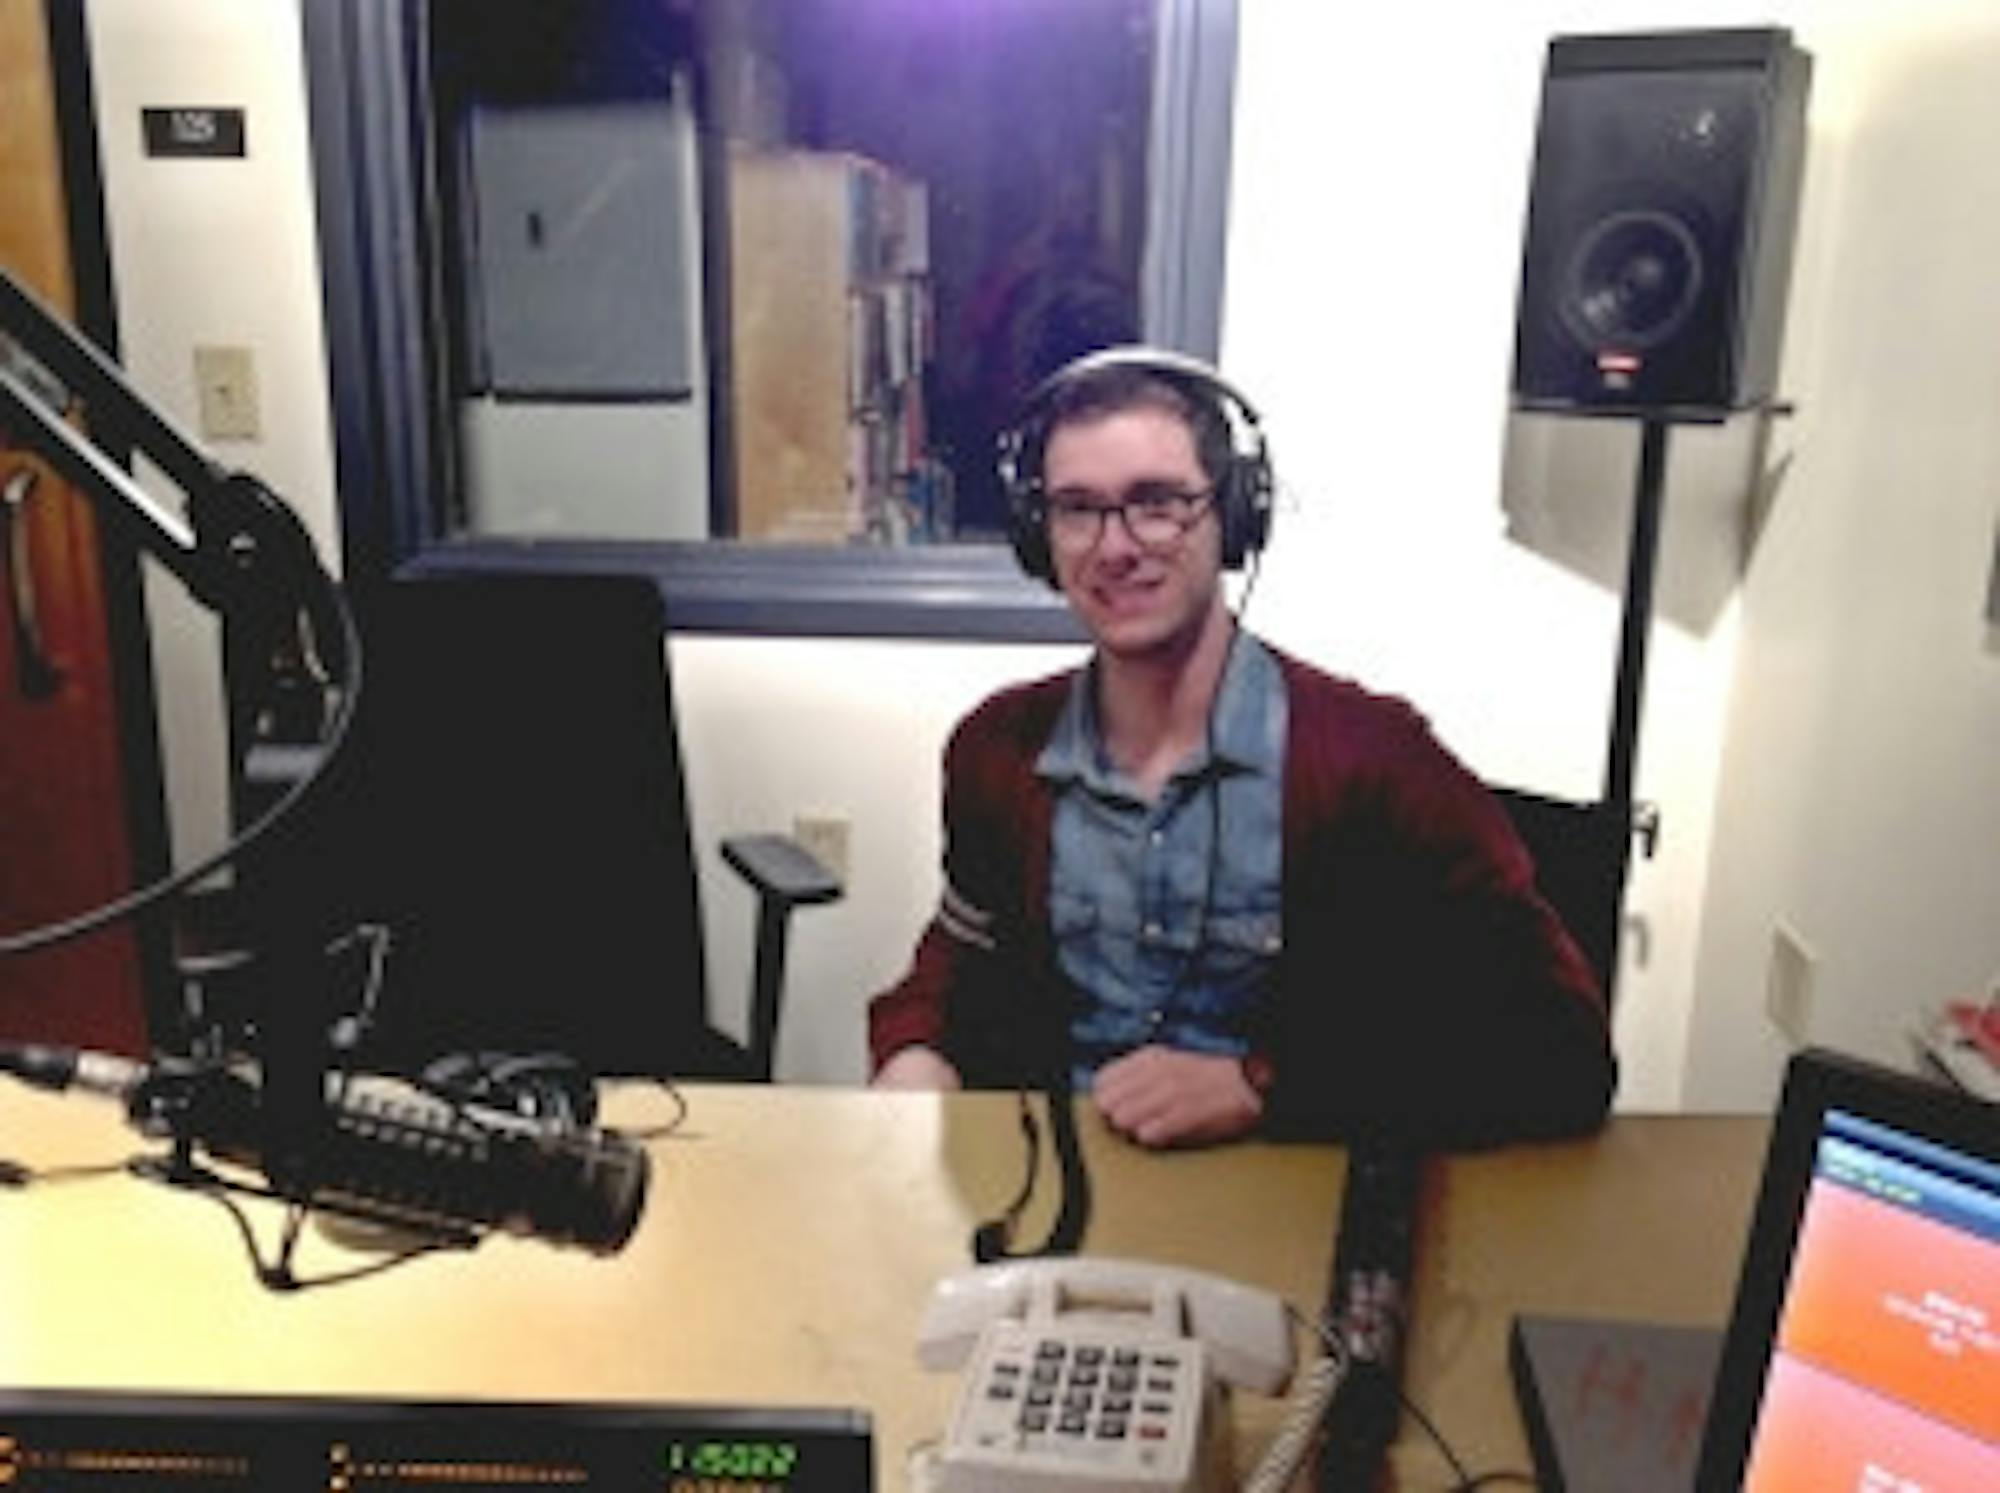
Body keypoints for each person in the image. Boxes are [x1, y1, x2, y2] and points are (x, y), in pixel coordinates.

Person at [869, 348, 1617, 1149]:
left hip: (1286, 1202)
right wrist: (916, 1051)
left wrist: (1266, 1083)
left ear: (1233, 514)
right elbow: (960, 956)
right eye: (1078, 508)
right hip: (1060, 1197)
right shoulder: (996, 750)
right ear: (1036, 534)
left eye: (1156, 502)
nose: (1115, 546)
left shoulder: (1374, 760)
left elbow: (1560, 1050)